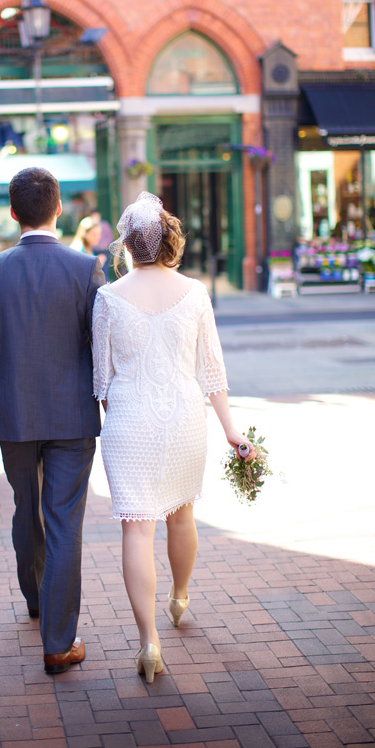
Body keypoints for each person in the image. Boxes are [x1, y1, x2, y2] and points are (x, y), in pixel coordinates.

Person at [91, 192, 254, 683]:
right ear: (168, 240)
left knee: (136, 528)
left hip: (128, 423)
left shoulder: (107, 298)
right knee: (182, 515)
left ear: (127, 244)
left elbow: (100, 380)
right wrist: (231, 431)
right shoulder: (196, 292)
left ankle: (148, 644)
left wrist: (118, 416)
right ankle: (179, 600)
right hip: (186, 420)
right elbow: (213, 372)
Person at [0, 167, 105, 675]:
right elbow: (102, 349)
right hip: (72, 417)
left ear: (14, 211)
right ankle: (58, 642)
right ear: (59, 207)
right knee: (64, 522)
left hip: (15, 417)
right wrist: (110, 405)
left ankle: (38, 601)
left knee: (28, 509)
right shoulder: (86, 268)